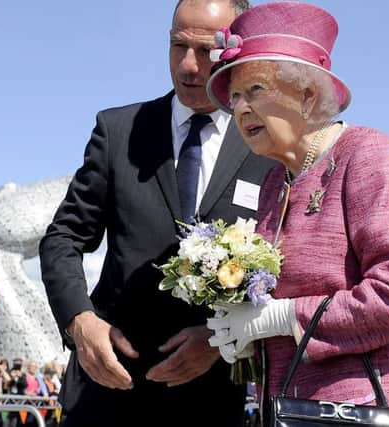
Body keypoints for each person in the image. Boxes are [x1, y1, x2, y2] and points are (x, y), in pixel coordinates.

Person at [39, 0, 276, 425]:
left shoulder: (269, 149)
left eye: (205, 51)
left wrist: (223, 340)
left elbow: (288, 272)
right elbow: (63, 238)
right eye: (177, 45)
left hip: (211, 399)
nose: (187, 65)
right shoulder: (119, 131)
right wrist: (80, 322)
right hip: (106, 390)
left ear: (238, 50)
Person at [203, 2, 389, 425]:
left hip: (360, 408)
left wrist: (284, 318)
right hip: (287, 409)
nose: (241, 108)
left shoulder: (366, 155)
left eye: (256, 90)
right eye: (235, 97)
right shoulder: (272, 183)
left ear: (307, 94)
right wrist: (243, 334)